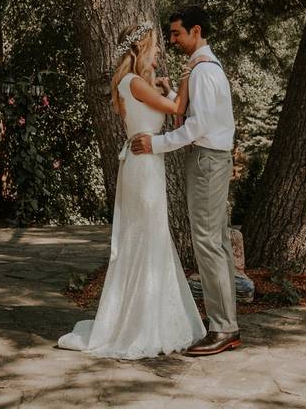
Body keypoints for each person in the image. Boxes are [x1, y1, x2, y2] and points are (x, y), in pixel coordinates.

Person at [57, 21, 206, 359]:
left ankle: (148, 316)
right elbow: (177, 110)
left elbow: (172, 118)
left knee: (151, 238)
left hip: (146, 165)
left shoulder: (137, 83)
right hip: (142, 169)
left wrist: (168, 89)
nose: (158, 56)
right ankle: (140, 324)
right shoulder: (133, 82)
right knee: (145, 238)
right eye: (155, 50)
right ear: (143, 50)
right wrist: (187, 77)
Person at [130, 6, 240, 357]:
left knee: (207, 242)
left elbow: (199, 126)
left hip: (208, 160)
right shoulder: (200, 69)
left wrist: (157, 144)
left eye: (177, 34)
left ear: (196, 30)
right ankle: (225, 323)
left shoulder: (204, 72)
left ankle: (223, 328)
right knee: (216, 241)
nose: (173, 40)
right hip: (209, 159)